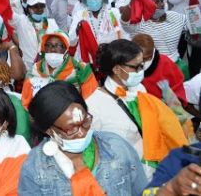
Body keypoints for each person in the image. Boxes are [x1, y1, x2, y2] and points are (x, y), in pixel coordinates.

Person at [19, 81, 148, 195]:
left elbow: (141, 191)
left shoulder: (117, 148)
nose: (82, 133)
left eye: (85, 122)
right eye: (71, 129)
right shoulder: (35, 168)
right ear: (49, 130)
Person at [86, 39, 188, 178]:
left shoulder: (139, 90)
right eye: (137, 67)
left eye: (142, 65)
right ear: (117, 69)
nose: (141, 71)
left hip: (150, 170)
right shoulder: (94, 106)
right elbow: (91, 153)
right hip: (122, 177)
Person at [120, 0, 190, 79]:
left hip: (176, 67)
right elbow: (125, 22)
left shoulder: (174, 16)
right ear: (145, 4)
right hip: (152, 71)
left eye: (162, 0)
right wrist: (130, 4)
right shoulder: (138, 23)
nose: (161, 4)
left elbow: (195, 25)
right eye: (156, 2)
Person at [22, 30, 98, 107]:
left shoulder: (81, 69)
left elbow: (91, 101)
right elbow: (26, 103)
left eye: (58, 45)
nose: (52, 49)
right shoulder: (34, 71)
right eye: (48, 45)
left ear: (66, 49)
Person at [69, 0, 127, 66]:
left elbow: (123, 36)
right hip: (86, 63)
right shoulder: (80, 14)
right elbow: (71, 40)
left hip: (111, 60)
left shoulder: (113, 14)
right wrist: (78, 29)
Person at [132, 33, 187, 105]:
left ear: (150, 56)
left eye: (144, 58)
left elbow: (178, 85)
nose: (140, 61)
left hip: (161, 105)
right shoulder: (128, 62)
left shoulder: (165, 62)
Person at [10, 0, 60, 71]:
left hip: (50, 65)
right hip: (29, 67)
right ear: (28, 9)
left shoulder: (52, 23)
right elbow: (6, 10)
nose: (39, 9)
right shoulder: (21, 21)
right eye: (35, 7)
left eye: (41, 6)